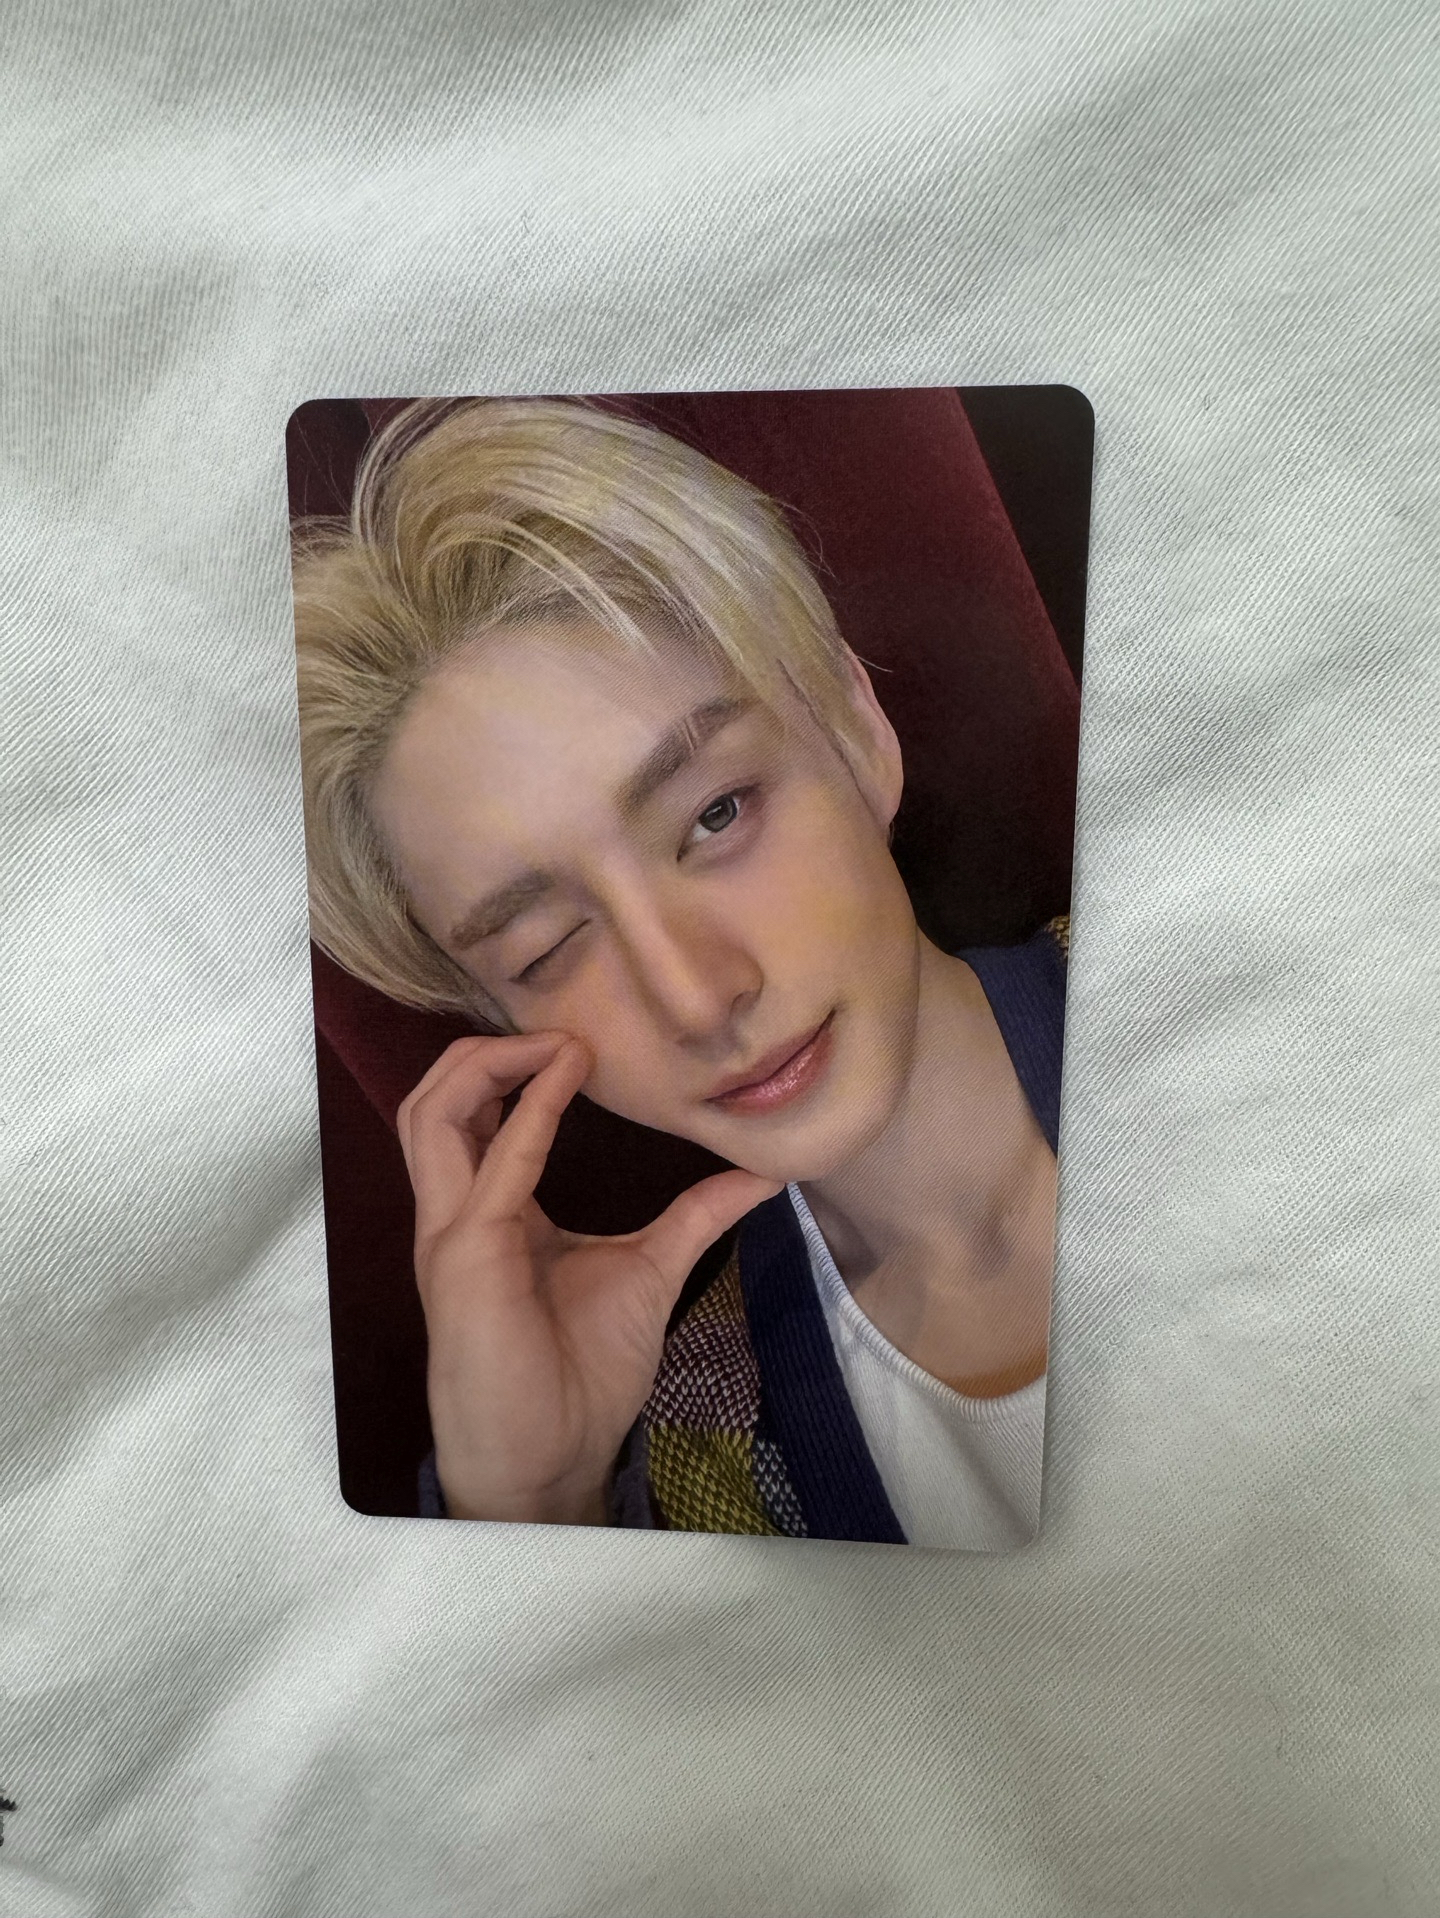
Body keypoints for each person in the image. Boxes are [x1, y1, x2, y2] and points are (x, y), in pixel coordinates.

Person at [292, 395, 1068, 1550]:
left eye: (717, 812)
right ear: (500, 1018)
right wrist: (531, 1499)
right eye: (545, 947)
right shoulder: (701, 1445)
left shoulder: (1247, 1005)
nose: (699, 998)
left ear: (857, 729)